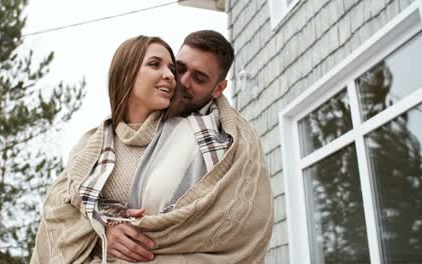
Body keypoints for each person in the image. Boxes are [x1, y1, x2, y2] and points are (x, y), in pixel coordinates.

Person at [32, 31, 273, 264]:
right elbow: (57, 214)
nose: (177, 79)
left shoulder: (206, 138)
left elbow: (224, 220)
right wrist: (102, 232)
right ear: (127, 73)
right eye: (176, 68)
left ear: (218, 88)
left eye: (198, 78)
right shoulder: (90, 146)